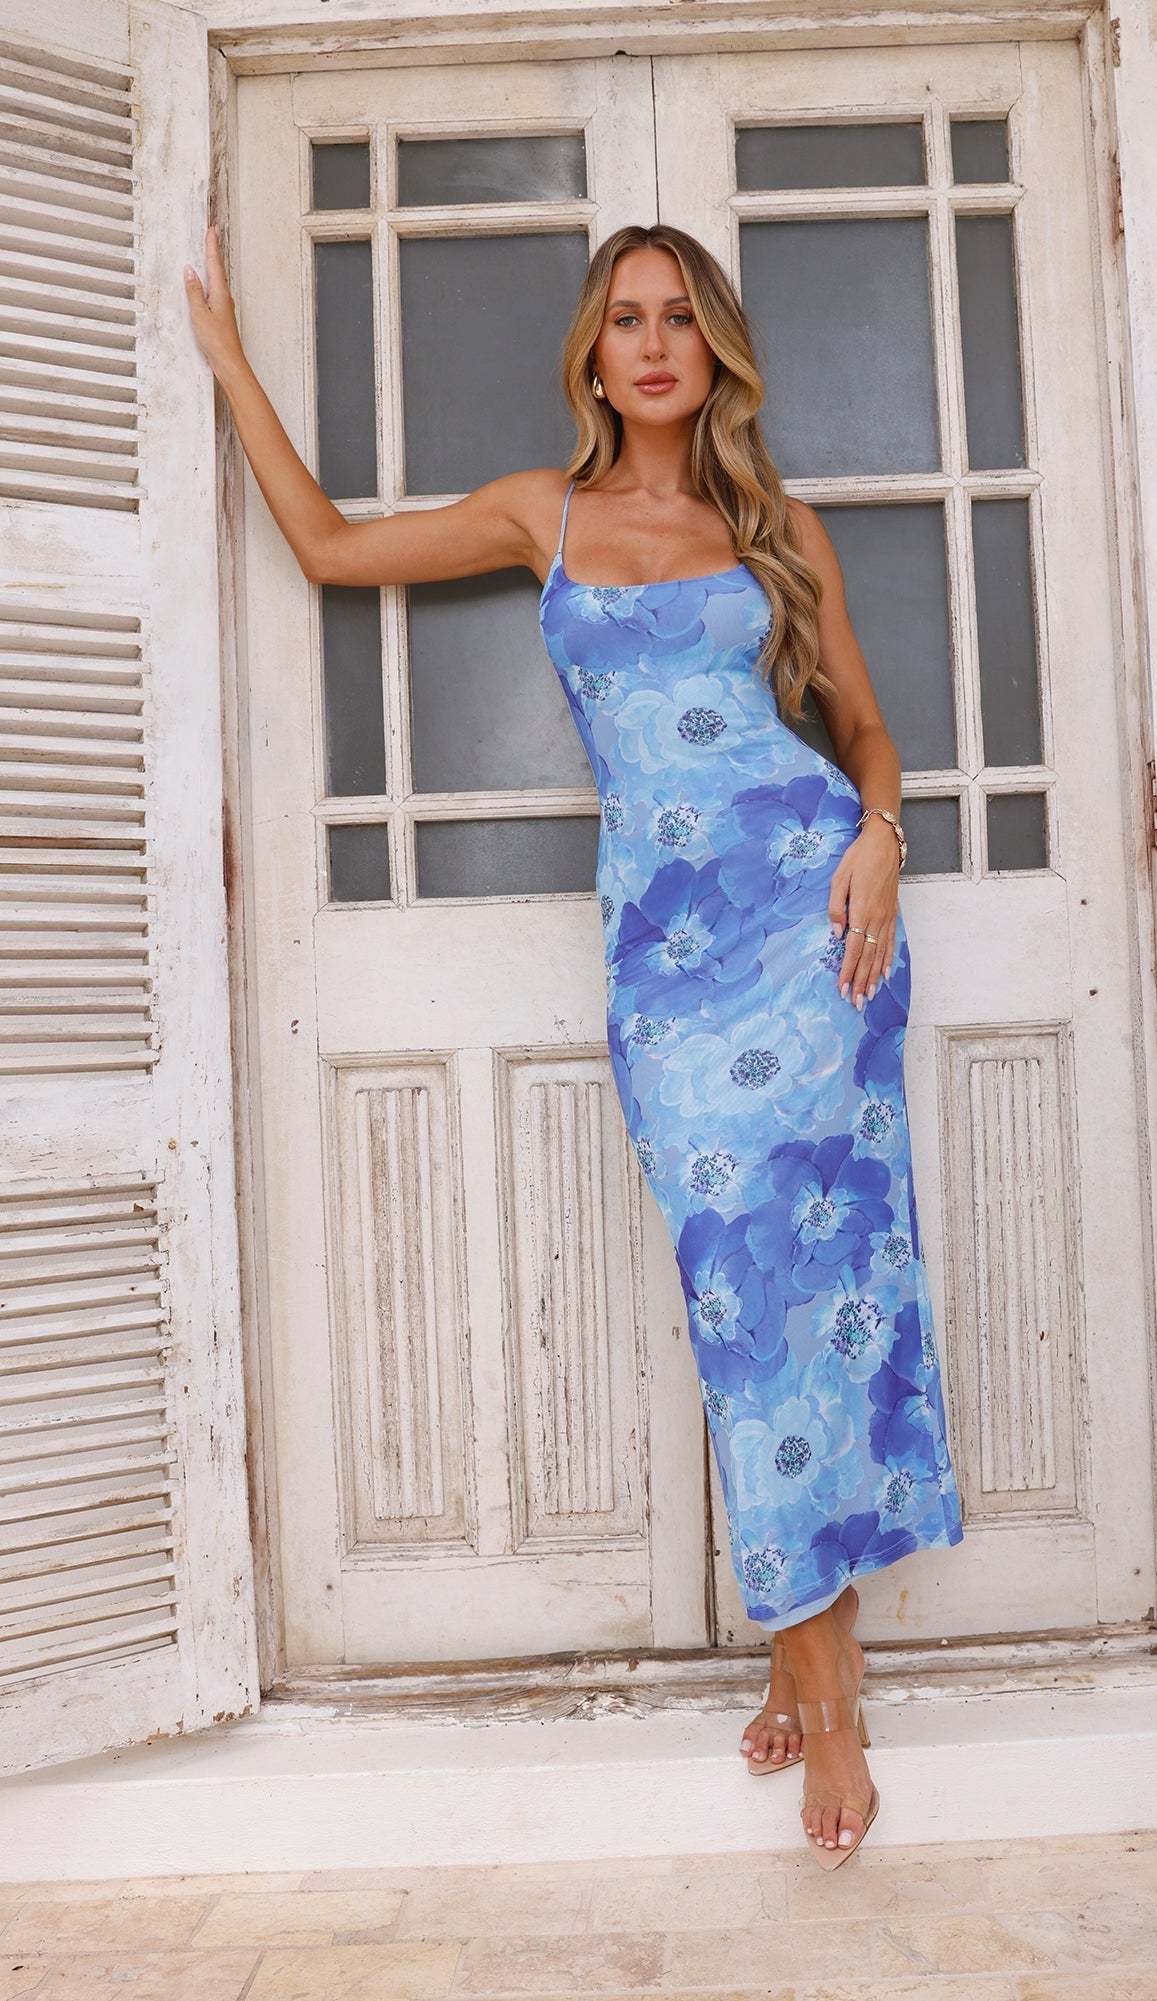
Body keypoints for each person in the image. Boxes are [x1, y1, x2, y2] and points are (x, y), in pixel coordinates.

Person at [185, 217, 964, 1868]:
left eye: (679, 317)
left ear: (711, 347)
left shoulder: (774, 528)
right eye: (626, 320)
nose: (654, 344)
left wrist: (882, 837)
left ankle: (821, 1681)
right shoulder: (538, 513)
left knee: (826, 1289)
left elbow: (865, 727)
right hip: (670, 970)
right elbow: (323, 547)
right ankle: (806, 1643)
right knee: (736, 1297)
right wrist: (230, 361)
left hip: (814, 931)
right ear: (594, 357)